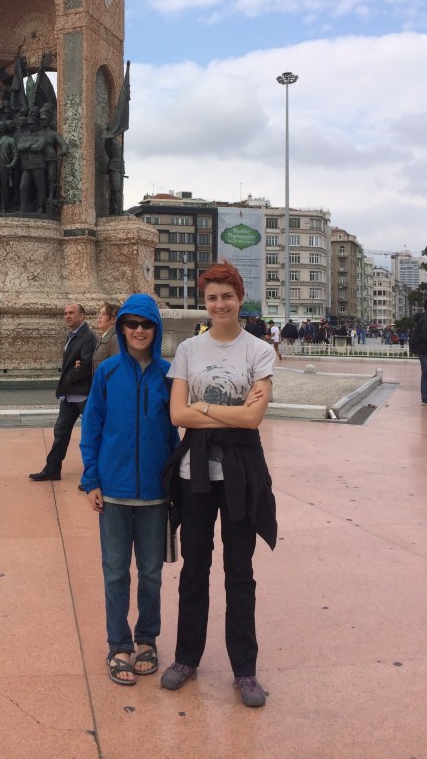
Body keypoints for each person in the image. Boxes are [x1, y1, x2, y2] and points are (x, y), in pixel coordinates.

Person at [161, 261, 276, 708]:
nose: (220, 304)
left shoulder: (258, 350)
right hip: (195, 476)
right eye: (212, 297)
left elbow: (253, 418)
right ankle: (186, 657)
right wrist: (229, 413)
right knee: (195, 567)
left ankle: (244, 670)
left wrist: (203, 409)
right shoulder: (189, 349)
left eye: (227, 296)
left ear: (240, 298)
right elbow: (177, 414)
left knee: (239, 570)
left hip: (240, 474)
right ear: (204, 302)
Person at [80, 294, 180, 685]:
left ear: (156, 328)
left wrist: (175, 484)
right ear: (121, 327)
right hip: (114, 490)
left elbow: (174, 433)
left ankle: (146, 639)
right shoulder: (107, 373)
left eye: (146, 324)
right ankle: (118, 644)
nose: (139, 330)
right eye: (132, 323)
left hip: (155, 493)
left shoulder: (169, 374)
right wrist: (91, 479)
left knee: (151, 573)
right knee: (115, 573)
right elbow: (92, 428)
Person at [29, 303, 97, 482]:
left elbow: (86, 365)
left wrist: (67, 378)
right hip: (69, 394)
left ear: (82, 316)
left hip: (82, 394)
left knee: (91, 435)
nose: (67, 316)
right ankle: (52, 469)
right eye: (65, 313)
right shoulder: (72, 335)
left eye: (71, 313)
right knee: (61, 432)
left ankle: (94, 475)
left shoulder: (88, 337)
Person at [92, 302, 120, 372]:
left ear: (114, 319)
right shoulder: (104, 338)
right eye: (99, 313)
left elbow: (117, 368)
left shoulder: (115, 338)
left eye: (104, 314)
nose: (99, 316)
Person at [409, 301, 427, 406]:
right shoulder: (425, 319)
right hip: (424, 350)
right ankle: (425, 398)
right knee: (426, 373)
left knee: (425, 373)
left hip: (422, 350)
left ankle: (425, 397)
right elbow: (425, 335)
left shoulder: (422, 318)